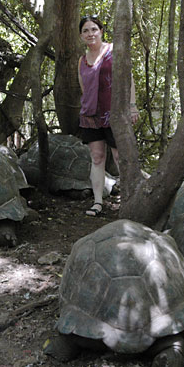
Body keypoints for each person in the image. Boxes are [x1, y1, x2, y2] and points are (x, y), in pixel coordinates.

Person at [78, 15, 138, 217]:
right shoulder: (81, 61)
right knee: (97, 157)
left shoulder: (113, 51)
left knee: (120, 156)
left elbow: (128, 78)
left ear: (101, 31)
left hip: (115, 114)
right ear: (81, 35)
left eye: (94, 29)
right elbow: (83, 87)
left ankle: (130, 201)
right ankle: (97, 202)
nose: (90, 34)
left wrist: (132, 106)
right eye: (85, 30)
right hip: (91, 115)